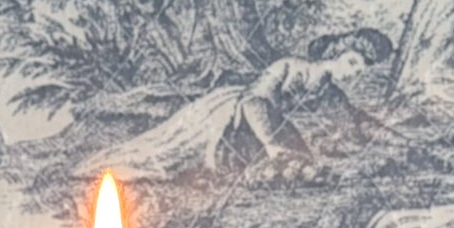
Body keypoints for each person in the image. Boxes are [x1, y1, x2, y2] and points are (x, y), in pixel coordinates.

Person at [117, 30, 393, 179]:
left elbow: (353, 120)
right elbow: (254, 101)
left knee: (296, 163)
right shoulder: (290, 67)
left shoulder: (326, 90)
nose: (354, 72)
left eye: (361, 69)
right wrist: (275, 146)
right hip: (227, 113)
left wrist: (395, 139)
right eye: (352, 62)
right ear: (336, 52)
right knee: (169, 155)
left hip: (263, 127)